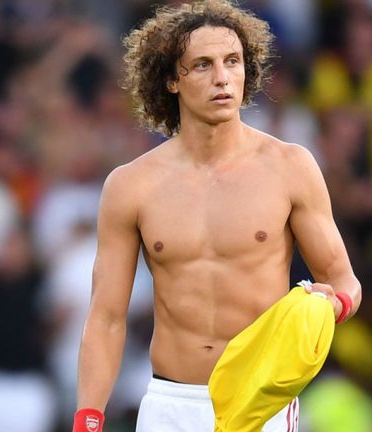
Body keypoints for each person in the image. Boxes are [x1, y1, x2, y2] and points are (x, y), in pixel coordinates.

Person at [73, 1, 362, 431]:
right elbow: (106, 317)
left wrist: (332, 305)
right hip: (169, 403)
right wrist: (88, 417)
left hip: (260, 402)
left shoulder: (291, 167)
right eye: (203, 65)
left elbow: (344, 281)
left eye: (232, 61)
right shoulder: (130, 185)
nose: (222, 78)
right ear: (171, 80)